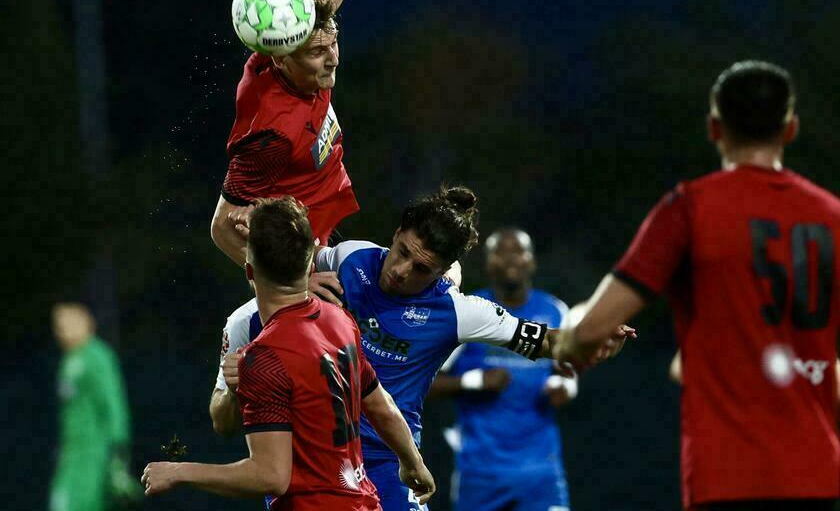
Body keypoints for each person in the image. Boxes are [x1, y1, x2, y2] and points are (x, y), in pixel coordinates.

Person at [210, 186, 633, 511]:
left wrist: (596, 336)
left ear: (443, 271)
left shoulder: (457, 311)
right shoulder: (350, 260)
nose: (399, 271)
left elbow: (549, 342)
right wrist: (301, 276)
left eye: (420, 268)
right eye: (402, 252)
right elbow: (281, 270)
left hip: (388, 465)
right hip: (313, 464)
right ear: (394, 235)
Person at [553, 61, 840, 510]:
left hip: (727, 480)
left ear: (714, 127)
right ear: (790, 129)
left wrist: (569, 336)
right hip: (820, 480)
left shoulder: (690, 208)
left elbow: (590, 330)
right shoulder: (833, 216)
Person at [142, 197, 435, 509]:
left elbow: (270, 476)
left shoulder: (263, 357)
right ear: (310, 266)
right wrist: (413, 463)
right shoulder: (341, 321)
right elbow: (382, 406)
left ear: (249, 272)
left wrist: (180, 471)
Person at [211, 0, 406, 278]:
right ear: (281, 58)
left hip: (326, 210)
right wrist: (295, 285)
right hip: (302, 250)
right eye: (318, 52)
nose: (332, 57)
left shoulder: (291, 43)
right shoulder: (271, 133)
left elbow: (322, 10)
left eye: (333, 41)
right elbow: (222, 228)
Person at [430, 228, 575, 511]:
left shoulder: (556, 311)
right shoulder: (469, 311)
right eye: (501, 252)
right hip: (480, 473)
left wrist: (565, 388)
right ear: (488, 262)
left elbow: (569, 373)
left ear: (531, 261)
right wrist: (473, 382)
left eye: (518, 251)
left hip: (540, 473)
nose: (510, 259)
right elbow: (424, 381)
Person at [50, 303, 137, 511]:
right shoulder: (68, 360)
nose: (61, 329)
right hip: (72, 454)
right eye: (57, 324)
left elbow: (113, 404)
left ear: (86, 321)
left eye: (67, 321)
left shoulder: (97, 355)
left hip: (95, 455)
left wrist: (118, 454)